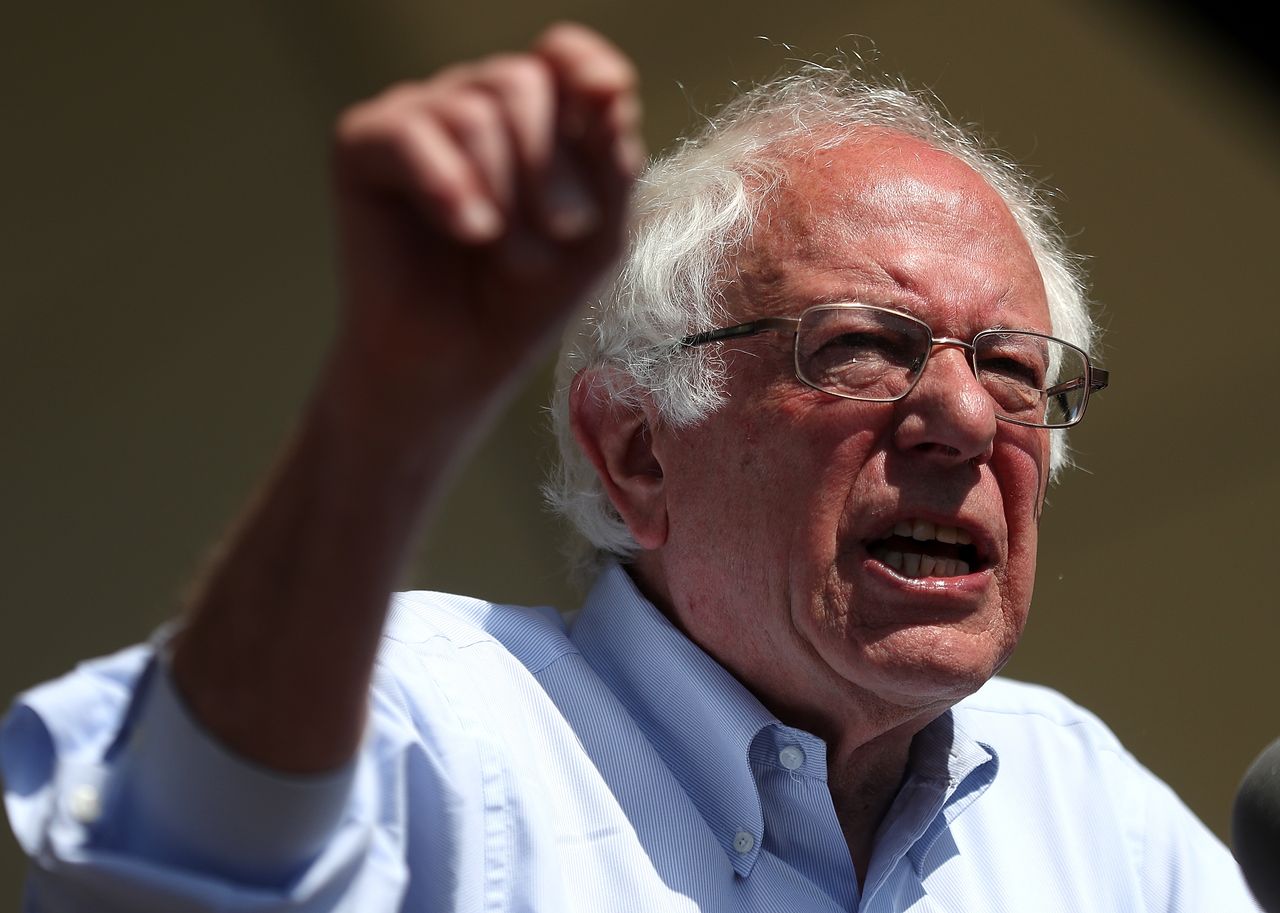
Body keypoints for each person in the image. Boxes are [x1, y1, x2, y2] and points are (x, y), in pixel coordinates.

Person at [0, 22, 1261, 913]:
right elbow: (161, 872)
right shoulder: (428, 726)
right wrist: (385, 412)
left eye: (1010, 366)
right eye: (861, 350)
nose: (961, 418)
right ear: (637, 450)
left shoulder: (1080, 806)